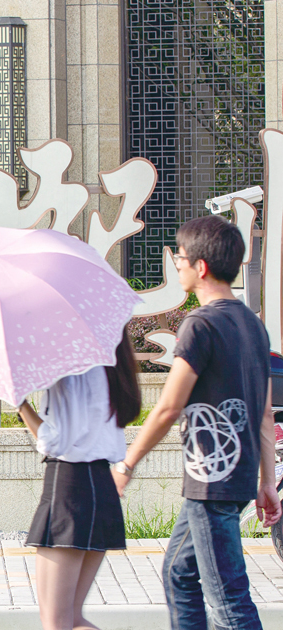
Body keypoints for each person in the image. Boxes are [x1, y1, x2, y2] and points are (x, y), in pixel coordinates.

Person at [113, 214, 282, 630]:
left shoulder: (200, 325)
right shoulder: (252, 324)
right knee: (179, 574)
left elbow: (170, 407)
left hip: (212, 482)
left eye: (181, 258)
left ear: (200, 267)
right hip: (233, 480)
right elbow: (263, 410)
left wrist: (127, 463)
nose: (179, 265)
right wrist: (265, 481)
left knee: (229, 603)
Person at [17, 327, 141, 630]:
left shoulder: (73, 365)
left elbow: (54, 441)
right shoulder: (111, 364)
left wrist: (20, 404)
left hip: (69, 485)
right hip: (100, 486)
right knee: (71, 619)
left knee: (57, 623)